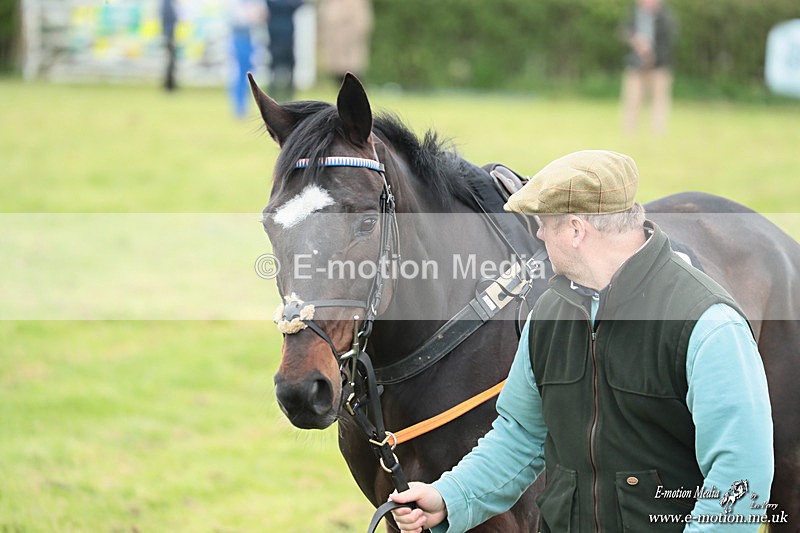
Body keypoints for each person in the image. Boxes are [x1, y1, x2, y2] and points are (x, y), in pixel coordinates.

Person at [390, 150, 774, 532]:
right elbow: (519, 437)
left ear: (576, 230)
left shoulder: (709, 325)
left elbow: (740, 474)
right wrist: (449, 498)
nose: (539, 234)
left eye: (544, 223)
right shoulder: (548, 317)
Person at [620, 0, 677, 135]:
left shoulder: (666, 17)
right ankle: (629, 132)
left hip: (659, 67)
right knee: (632, 99)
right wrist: (635, 40)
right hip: (636, 66)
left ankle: (658, 133)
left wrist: (651, 55)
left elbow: (668, 42)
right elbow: (623, 30)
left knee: (659, 100)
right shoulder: (634, 14)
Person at [318, 0, 374, 83]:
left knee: (352, 68)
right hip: (334, 41)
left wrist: (354, 35)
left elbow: (362, 21)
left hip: (349, 40)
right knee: (337, 69)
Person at [228, 0, 266, 118]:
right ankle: (240, 108)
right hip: (240, 37)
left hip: (251, 37)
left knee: (249, 73)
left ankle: (246, 106)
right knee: (240, 74)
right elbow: (239, 18)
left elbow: (261, 15)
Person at [265, 0, 304, 102]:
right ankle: (273, 94)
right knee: (274, 66)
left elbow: (301, 3)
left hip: (288, 35)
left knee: (290, 65)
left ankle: (289, 95)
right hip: (275, 36)